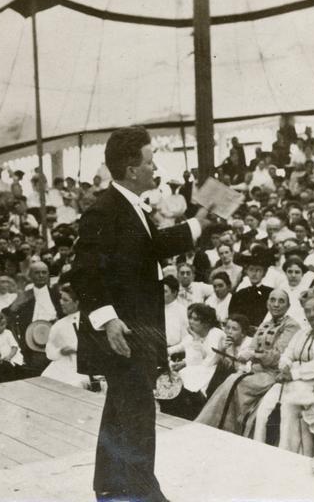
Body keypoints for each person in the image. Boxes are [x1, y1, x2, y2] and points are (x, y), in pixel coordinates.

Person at [71, 126, 211, 502]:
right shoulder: (103, 211)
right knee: (137, 413)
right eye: (150, 161)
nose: (155, 168)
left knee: (122, 408)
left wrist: (199, 222)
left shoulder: (132, 206)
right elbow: (83, 273)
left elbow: (152, 247)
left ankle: (109, 485)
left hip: (137, 330)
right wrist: (108, 319)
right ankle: (146, 494)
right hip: (124, 332)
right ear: (132, 169)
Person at [196, 288, 300, 436]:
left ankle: (216, 428)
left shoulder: (291, 326)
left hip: (273, 375)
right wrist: (246, 353)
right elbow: (250, 348)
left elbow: (277, 355)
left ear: (288, 306)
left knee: (235, 381)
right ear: (267, 304)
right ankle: (211, 427)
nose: (276, 304)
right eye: (272, 300)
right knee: (232, 379)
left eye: (281, 301)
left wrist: (252, 354)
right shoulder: (265, 324)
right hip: (256, 372)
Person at [254, 291, 314, 454]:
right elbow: (288, 353)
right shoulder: (302, 333)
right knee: (265, 407)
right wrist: (285, 366)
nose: (312, 314)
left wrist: (293, 374)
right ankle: (259, 449)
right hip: (292, 379)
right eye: (307, 311)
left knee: (288, 407)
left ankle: (287, 454)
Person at [164, 304, 225, 419]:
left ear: (207, 322)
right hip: (199, 369)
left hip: (212, 370)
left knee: (184, 374)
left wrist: (196, 340)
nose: (191, 322)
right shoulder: (193, 336)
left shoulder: (216, 333)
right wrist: (163, 353)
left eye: (196, 319)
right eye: (190, 318)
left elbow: (210, 360)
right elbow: (179, 347)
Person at [42, 284, 90, 389]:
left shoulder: (89, 321)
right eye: (61, 299)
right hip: (63, 364)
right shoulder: (59, 325)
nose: (61, 302)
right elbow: (49, 351)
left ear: (76, 303)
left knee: (75, 384)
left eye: (65, 300)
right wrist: (61, 351)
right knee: (46, 380)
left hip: (85, 364)